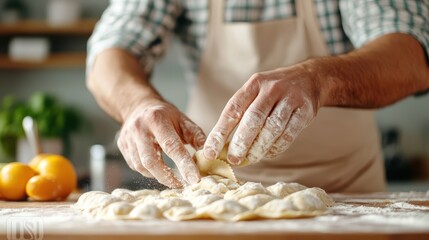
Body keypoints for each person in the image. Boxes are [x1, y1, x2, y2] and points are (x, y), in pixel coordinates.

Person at [86, 0, 429, 192]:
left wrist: (318, 79)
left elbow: (411, 56)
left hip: (349, 196)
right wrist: (138, 104)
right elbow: (110, 52)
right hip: (213, 201)